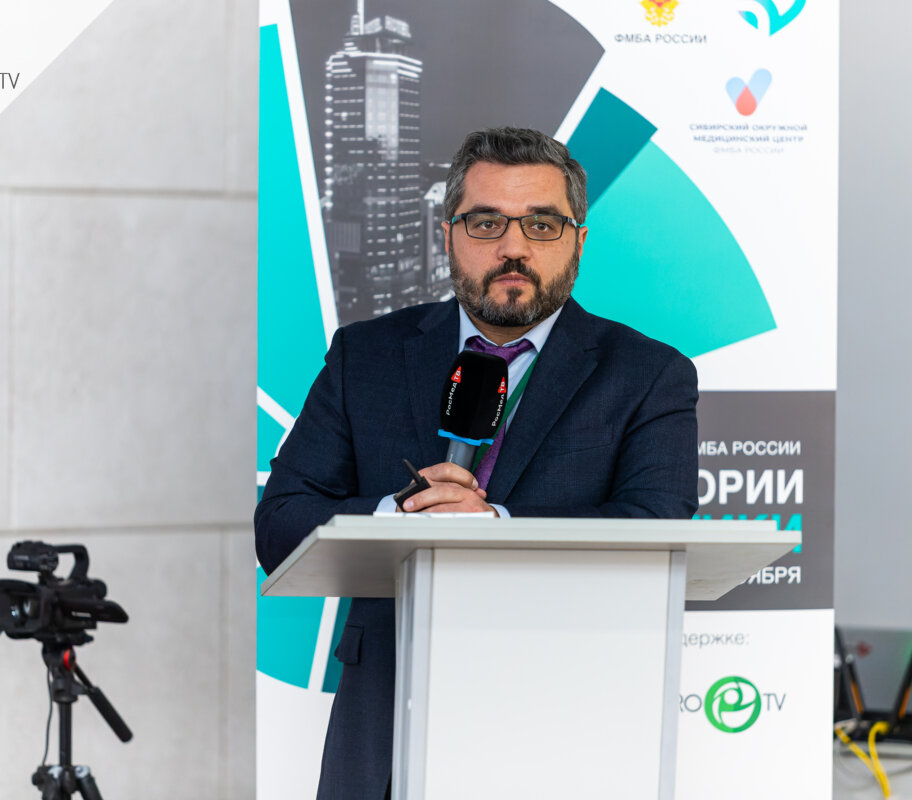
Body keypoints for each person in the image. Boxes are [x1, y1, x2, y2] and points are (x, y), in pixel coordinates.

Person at [255, 126, 698, 799]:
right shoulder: (365, 356)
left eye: (542, 224)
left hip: (571, 718)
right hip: (386, 716)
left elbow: (657, 524)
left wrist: (494, 524)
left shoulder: (647, 374)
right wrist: (403, 516)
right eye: (487, 222)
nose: (513, 247)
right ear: (448, 236)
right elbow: (280, 523)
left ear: (579, 240)